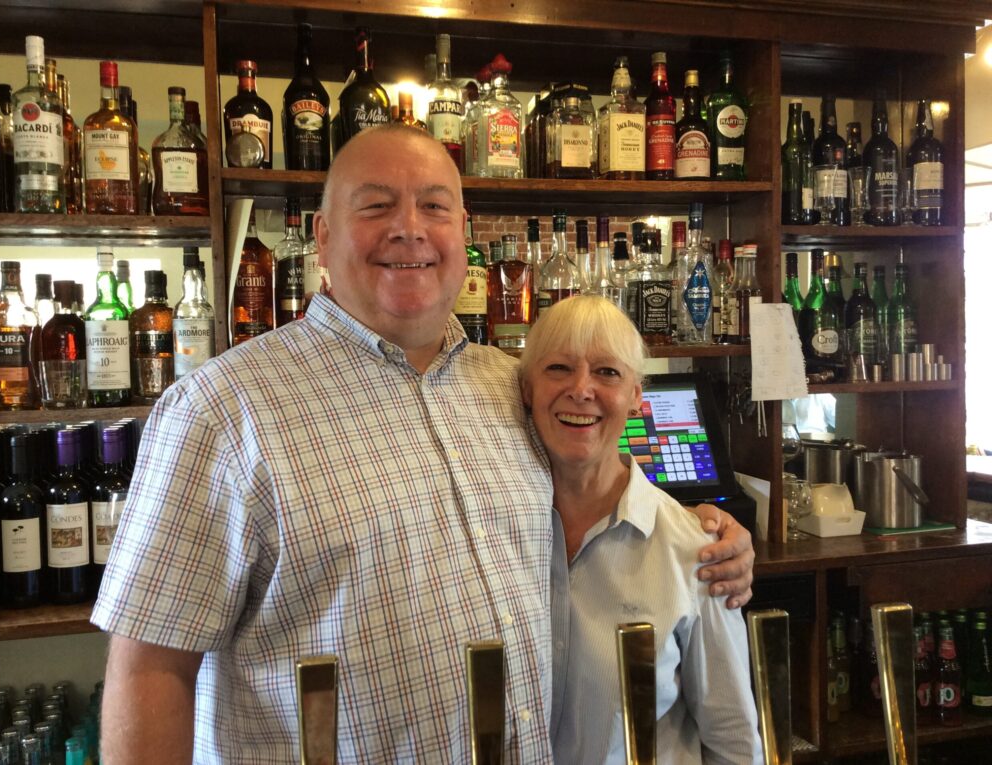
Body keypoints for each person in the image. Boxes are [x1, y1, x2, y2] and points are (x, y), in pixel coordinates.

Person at [92, 124, 755, 764]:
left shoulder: (508, 383)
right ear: (322, 237)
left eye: (434, 207)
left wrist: (706, 536)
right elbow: (152, 667)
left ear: (463, 235)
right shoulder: (219, 411)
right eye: (376, 205)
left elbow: (601, 482)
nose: (409, 228)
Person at [518, 295, 763, 764]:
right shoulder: (493, 532)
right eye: (558, 369)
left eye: (607, 372)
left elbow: (733, 738)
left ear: (636, 396)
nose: (582, 389)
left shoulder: (694, 549)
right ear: (527, 390)